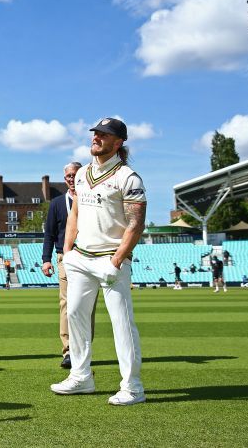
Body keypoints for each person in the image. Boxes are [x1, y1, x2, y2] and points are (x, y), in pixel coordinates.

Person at [50, 117, 147, 406]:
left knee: (122, 324)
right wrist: (68, 253)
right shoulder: (81, 174)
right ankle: (81, 377)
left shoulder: (128, 177)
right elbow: (74, 216)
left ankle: (133, 386)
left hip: (110, 260)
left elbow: (136, 224)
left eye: (104, 135)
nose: (96, 138)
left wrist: (117, 260)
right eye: (95, 133)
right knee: (76, 318)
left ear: (118, 143)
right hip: (80, 257)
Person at [42, 161, 98, 369]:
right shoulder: (57, 203)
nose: (72, 179)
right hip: (64, 257)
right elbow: (49, 233)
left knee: (88, 305)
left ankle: (83, 349)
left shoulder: (92, 199)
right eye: (68, 176)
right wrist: (46, 259)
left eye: (75, 175)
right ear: (64, 179)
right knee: (66, 304)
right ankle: (68, 351)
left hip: (90, 256)